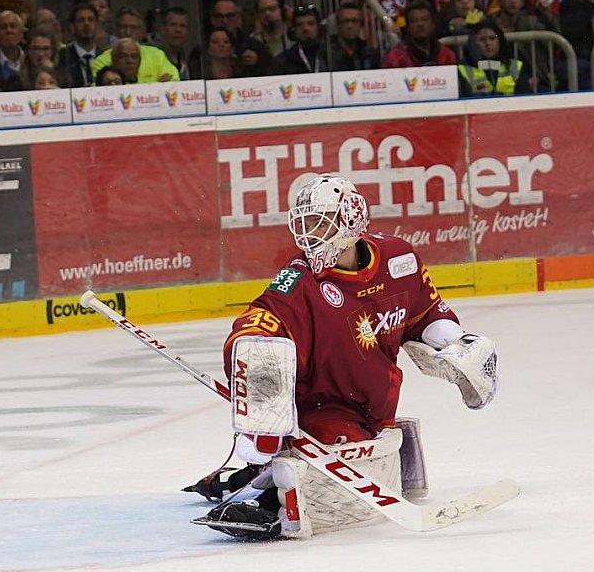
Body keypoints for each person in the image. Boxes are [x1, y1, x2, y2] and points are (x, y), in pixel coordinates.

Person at [193, 173, 498, 539]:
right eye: (305, 224)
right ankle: (269, 498)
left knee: (356, 446)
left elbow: (426, 313)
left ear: (351, 220)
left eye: (319, 223)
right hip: (322, 408)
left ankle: (257, 475)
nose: (309, 235)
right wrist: (255, 358)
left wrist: (456, 343)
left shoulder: (399, 260)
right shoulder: (299, 280)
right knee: (331, 445)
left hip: (376, 404)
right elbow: (260, 320)